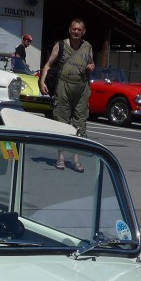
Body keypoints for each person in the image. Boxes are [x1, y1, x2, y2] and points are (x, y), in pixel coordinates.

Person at [40, 18, 94, 171]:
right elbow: (48, 64)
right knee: (62, 122)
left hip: (81, 88)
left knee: (80, 123)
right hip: (63, 86)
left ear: (83, 32)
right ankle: (60, 158)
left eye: (79, 29)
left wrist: (91, 66)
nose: (76, 31)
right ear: (70, 30)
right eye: (74, 29)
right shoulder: (61, 45)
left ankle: (76, 159)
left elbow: (92, 63)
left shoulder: (87, 46)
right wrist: (42, 81)